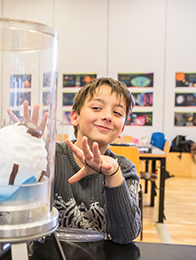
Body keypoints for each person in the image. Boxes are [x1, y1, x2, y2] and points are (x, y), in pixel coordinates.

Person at [54, 77, 142, 244]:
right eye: (96, 108)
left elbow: (126, 235)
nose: (108, 116)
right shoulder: (51, 157)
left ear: (122, 129)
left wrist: (112, 173)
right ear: (75, 117)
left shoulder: (125, 169)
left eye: (117, 113)